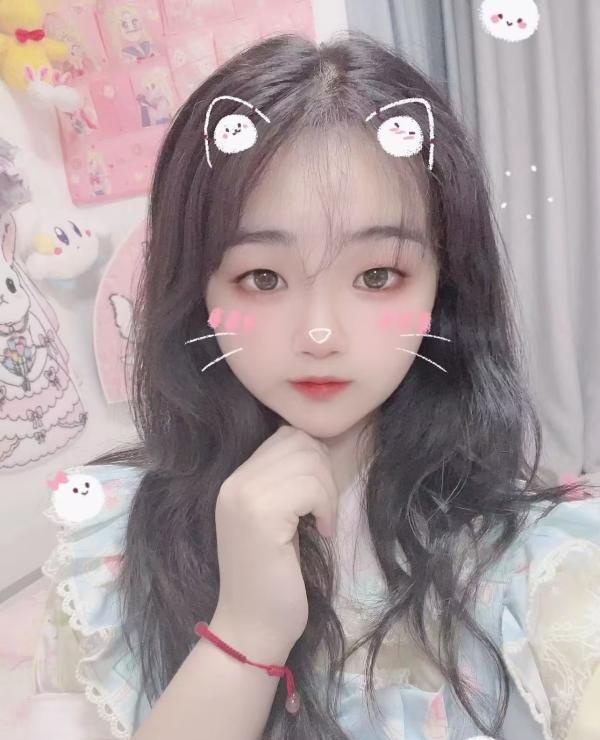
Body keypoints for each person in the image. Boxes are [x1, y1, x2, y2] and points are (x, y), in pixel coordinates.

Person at [21, 30, 600, 740]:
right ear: (198, 291)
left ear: (443, 287)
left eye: (377, 275)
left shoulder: (540, 567)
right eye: (263, 277)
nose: (320, 334)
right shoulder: (107, 549)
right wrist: (244, 636)